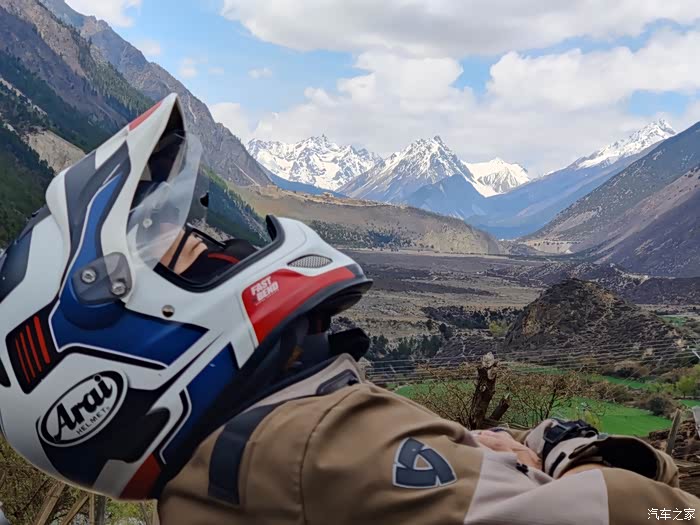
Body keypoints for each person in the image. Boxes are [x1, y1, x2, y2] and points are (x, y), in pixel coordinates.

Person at [0, 95, 697, 525]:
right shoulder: (313, 446)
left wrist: (479, 449)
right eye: (177, 250)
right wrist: (571, 453)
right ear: (128, 339)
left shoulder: (227, 472)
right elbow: (633, 517)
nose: (215, 245)